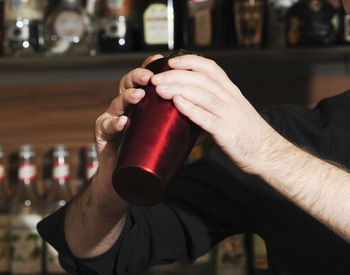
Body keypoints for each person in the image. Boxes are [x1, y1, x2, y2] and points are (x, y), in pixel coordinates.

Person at [37, 3, 350, 273]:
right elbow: (91, 249)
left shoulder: (270, 146)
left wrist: (267, 151)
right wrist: (110, 180)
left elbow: (267, 149)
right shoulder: (291, 133)